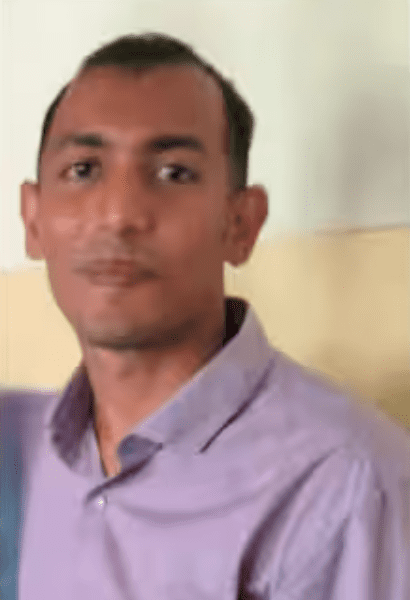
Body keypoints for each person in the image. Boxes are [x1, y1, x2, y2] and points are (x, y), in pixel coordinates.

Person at [2, 32, 409, 599]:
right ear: (33, 219)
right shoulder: (18, 448)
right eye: (84, 169)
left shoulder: (341, 484)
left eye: (174, 172)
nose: (119, 214)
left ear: (241, 224)